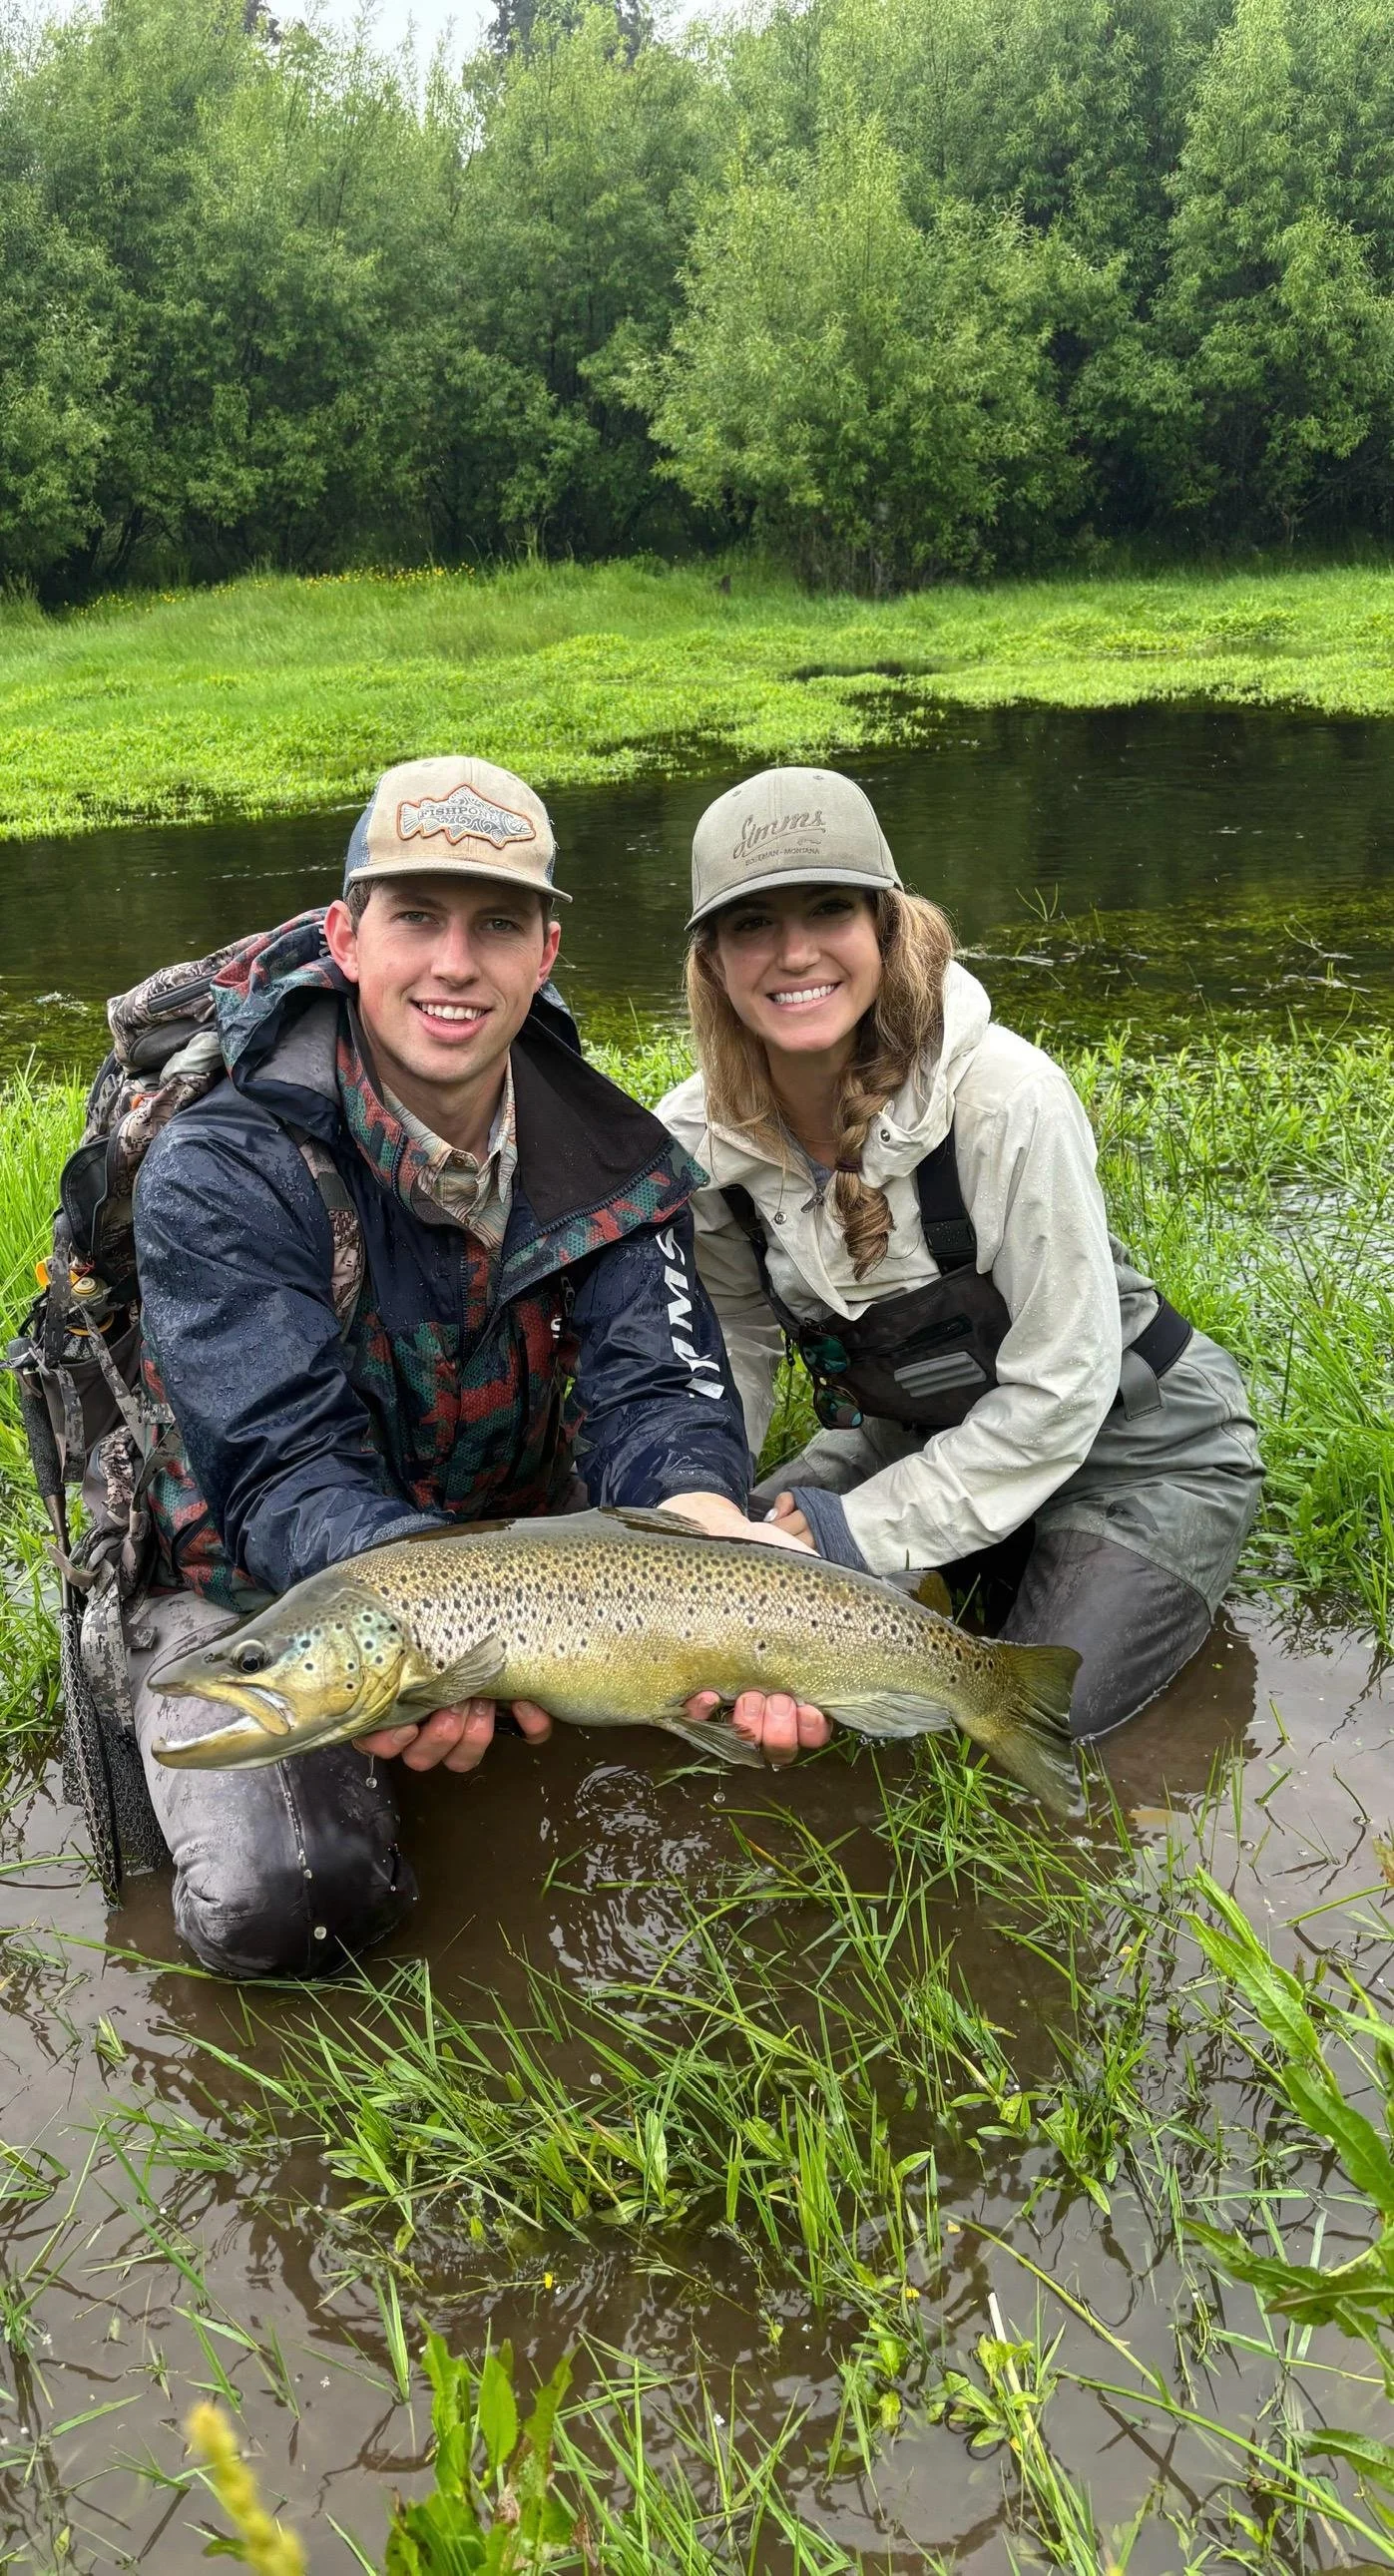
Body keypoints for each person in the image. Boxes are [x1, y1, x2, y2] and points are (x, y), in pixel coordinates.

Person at [130, 756, 827, 1979]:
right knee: (291, 1899)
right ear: (348, 936)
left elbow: (658, 1391)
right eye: (416, 917)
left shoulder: (615, 1153)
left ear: (543, 952)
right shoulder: (221, 1168)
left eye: (495, 924)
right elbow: (283, 1470)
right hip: (265, 1580)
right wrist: (415, 1624)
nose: (454, 963)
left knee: (749, 1690)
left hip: (518, 1572)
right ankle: (157, 1693)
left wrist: (701, 1514)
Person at [660, 765, 1264, 1740]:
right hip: (917, 1440)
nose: (794, 951)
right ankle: (976, 1557)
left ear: (885, 926)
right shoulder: (695, 1145)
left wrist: (855, 1532)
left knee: (1031, 1721)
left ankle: (1052, 1560)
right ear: (711, 960)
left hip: (1136, 1448)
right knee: (700, 1631)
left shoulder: (1004, 1100)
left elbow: (1064, 1383)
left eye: (827, 909)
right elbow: (729, 1349)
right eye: (751, 923)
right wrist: (708, 1508)